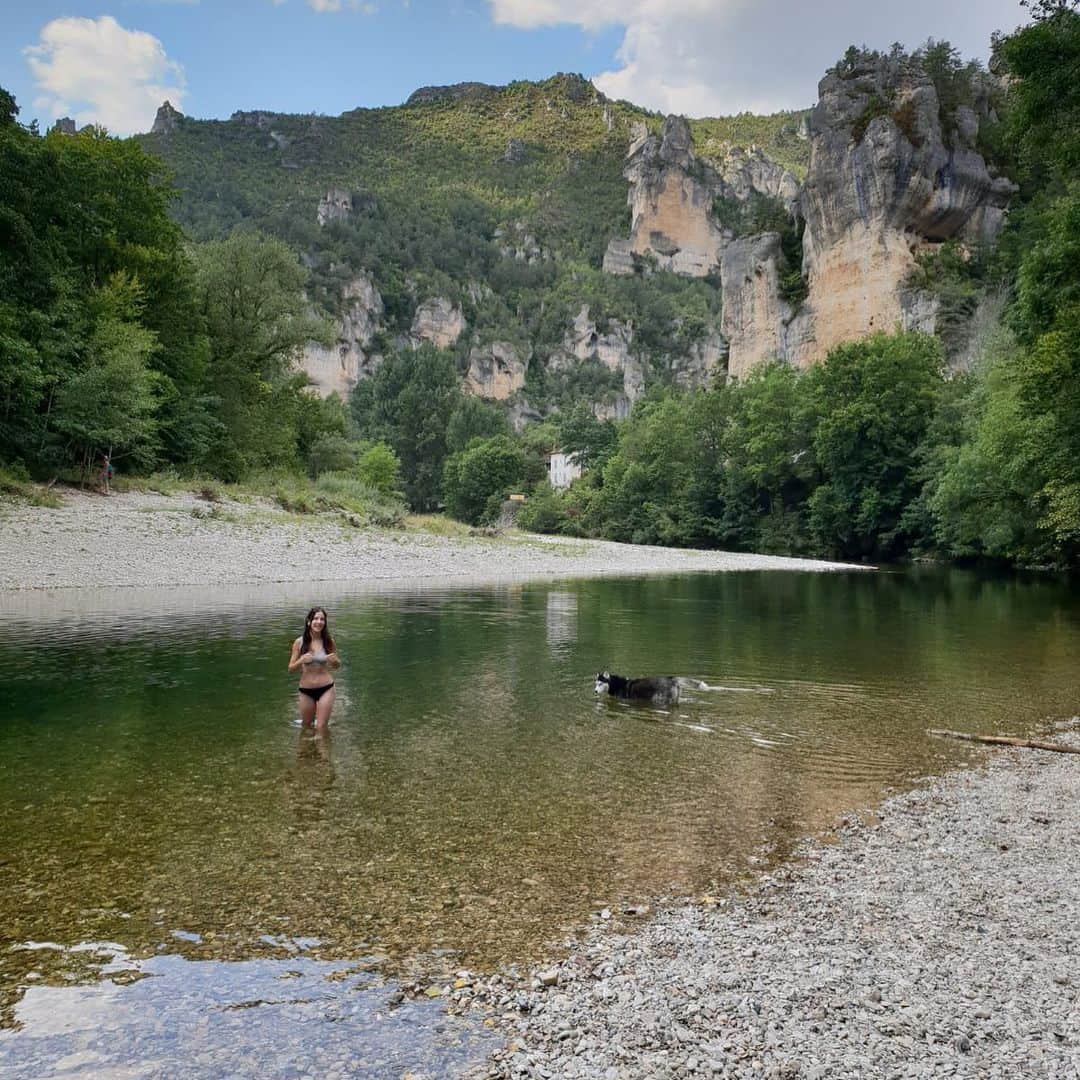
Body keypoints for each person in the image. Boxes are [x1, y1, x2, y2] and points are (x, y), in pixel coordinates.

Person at [288, 607, 340, 730]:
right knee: (306, 726)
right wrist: (301, 660)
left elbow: (337, 666)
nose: (319, 622)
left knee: (321, 728)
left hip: (326, 688)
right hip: (306, 690)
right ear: (309, 621)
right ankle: (307, 749)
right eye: (316, 618)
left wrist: (335, 661)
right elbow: (290, 669)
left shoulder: (329, 641)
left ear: (325, 623)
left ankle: (322, 749)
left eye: (322, 619)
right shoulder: (299, 642)